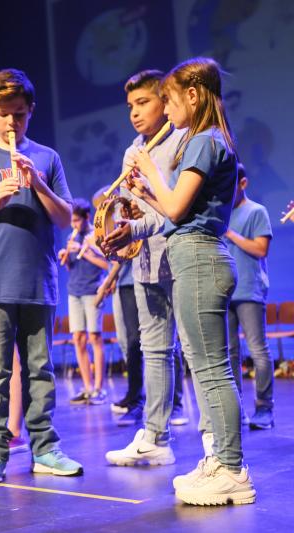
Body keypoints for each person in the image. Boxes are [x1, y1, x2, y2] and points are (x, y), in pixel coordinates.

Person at [127, 57, 254, 505]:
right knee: (209, 369)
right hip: (196, 257)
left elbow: (179, 210)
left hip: (199, 261)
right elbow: (178, 212)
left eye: (169, 99)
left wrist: (150, 169)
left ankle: (232, 471)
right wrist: (146, 195)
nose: (167, 108)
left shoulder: (202, 140)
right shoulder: (210, 139)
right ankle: (222, 460)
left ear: (193, 96)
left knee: (212, 372)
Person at [0, 68, 83, 483]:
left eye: (20, 114)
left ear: (31, 112)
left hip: (37, 280)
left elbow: (64, 217)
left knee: (40, 370)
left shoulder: (47, 157)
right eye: (5, 114)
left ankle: (45, 448)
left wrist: (38, 184)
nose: (12, 123)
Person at [102, 69, 191, 467]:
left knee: (193, 349)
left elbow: (177, 207)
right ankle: (156, 435)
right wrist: (121, 219)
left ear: (165, 100)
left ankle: (215, 445)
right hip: (145, 261)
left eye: (143, 103)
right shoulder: (132, 149)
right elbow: (127, 203)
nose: (135, 113)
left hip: (179, 258)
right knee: (154, 349)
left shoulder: (182, 141)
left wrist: (144, 206)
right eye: (130, 107)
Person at [224, 163, 274, 429]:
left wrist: (230, 233)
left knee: (258, 350)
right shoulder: (222, 214)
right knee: (230, 353)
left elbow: (260, 248)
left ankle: (264, 408)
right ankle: (236, 410)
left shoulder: (257, 211)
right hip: (225, 292)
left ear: (242, 183)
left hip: (250, 290)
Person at [58, 199, 109, 405]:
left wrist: (86, 251)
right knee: (78, 338)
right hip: (74, 291)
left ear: (87, 217)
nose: (74, 225)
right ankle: (87, 387)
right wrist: (66, 256)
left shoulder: (95, 237)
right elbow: (72, 267)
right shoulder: (73, 237)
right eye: (72, 222)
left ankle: (99, 388)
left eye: (77, 221)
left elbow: (106, 264)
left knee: (94, 338)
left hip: (92, 291)